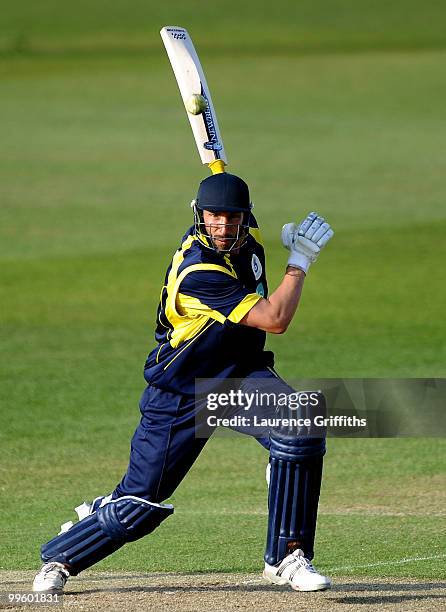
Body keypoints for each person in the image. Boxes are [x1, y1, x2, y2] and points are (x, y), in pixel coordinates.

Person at [32, 171, 334, 594]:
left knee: (299, 426)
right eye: (214, 217)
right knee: (137, 508)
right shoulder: (198, 272)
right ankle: (61, 557)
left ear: (245, 217)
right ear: (198, 215)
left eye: (232, 217)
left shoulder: (246, 239)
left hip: (238, 378)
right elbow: (275, 319)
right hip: (181, 393)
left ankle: (287, 557)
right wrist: (299, 261)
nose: (223, 226)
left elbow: (233, 201)